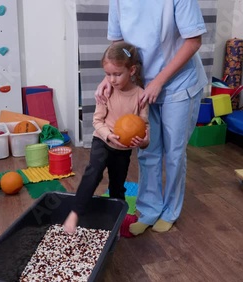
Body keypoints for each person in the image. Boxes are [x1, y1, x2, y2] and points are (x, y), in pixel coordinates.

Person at [95, 0, 208, 236]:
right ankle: (148, 211)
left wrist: (159, 81)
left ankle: (169, 212)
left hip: (179, 84)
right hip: (142, 86)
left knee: (174, 153)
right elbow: (118, 43)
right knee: (147, 149)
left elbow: (193, 40)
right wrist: (112, 76)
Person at [63, 41, 150, 234]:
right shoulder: (106, 91)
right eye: (108, 74)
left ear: (132, 70)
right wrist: (109, 135)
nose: (112, 79)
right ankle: (75, 213)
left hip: (123, 150)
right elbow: (97, 121)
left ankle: (115, 223)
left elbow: (144, 125)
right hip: (102, 141)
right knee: (93, 173)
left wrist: (144, 142)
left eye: (117, 74)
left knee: (118, 186)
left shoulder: (140, 95)